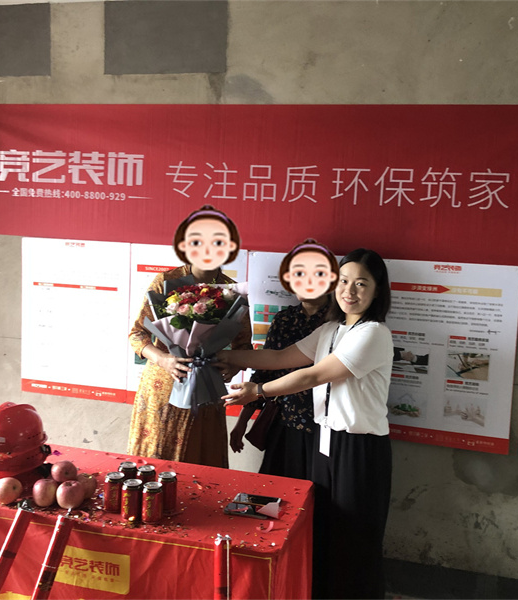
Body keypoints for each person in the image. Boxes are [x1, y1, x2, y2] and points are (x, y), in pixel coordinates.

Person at [219, 248, 393, 599]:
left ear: (377, 291)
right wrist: (217, 355)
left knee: (354, 536)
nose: (350, 291)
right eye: (344, 281)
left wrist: (258, 391)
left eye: (361, 283)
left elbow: (312, 375)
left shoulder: (373, 333)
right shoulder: (331, 329)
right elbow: (280, 357)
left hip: (358, 447)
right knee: (322, 527)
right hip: (324, 441)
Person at [127, 205, 252, 468]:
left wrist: (230, 366)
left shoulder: (233, 291)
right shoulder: (165, 281)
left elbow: (244, 346)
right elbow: (137, 334)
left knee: (200, 468)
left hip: (206, 390)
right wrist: (162, 359)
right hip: (162, 388)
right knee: (154, 468)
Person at [229, 239, 339, 479]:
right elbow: (263, 371)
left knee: (318, 491)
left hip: (325, 426)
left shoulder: (339, 323)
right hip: (284, 420)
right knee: (276, 488)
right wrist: (242, 421)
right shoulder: (283, 320)